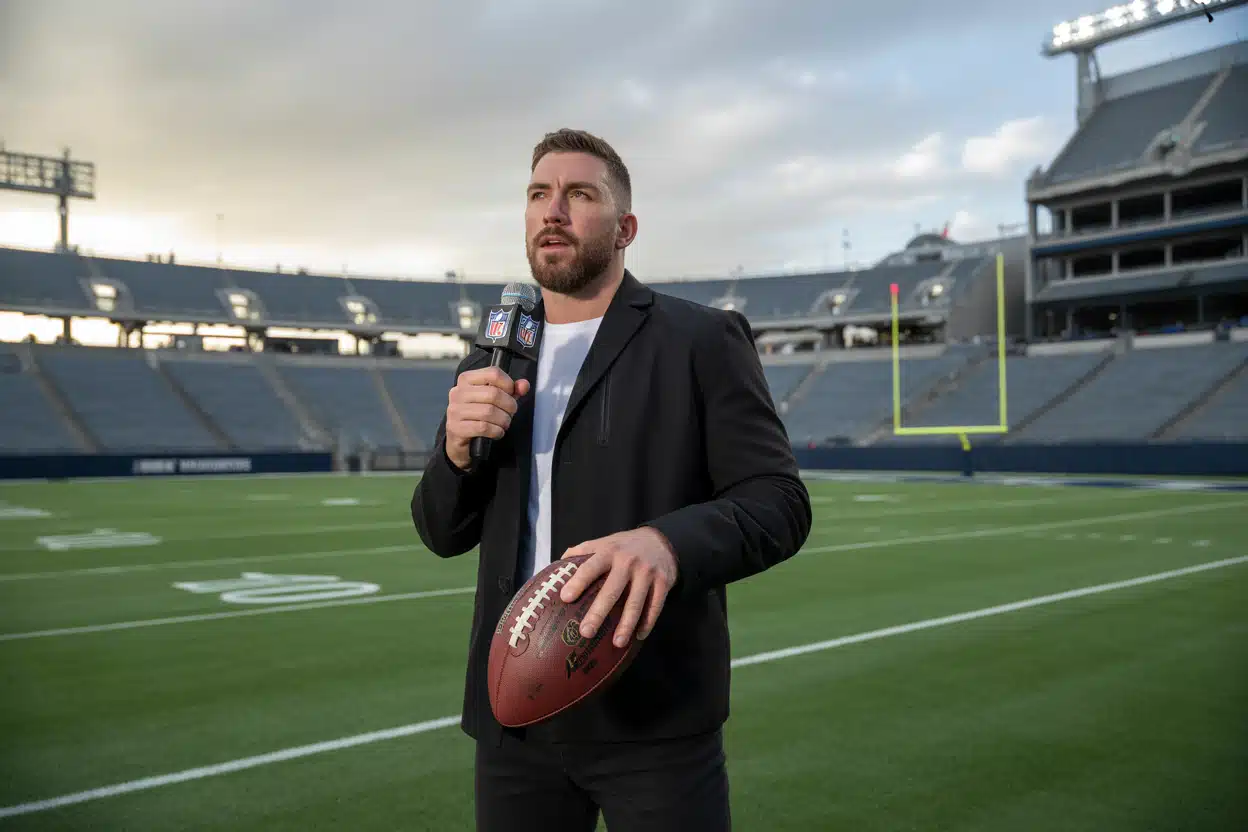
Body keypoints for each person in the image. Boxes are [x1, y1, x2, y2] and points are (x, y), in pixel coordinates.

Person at [410, 128, 812, 832]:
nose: (552, 210)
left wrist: (668, 543)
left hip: (652, 716)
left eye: (579, 194)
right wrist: (453, 453)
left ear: (625, 228)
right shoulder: (492, 358)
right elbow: (442, 532)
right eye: (539, 194)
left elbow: (778, 502)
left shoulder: (699, 339)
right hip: (515, 715)